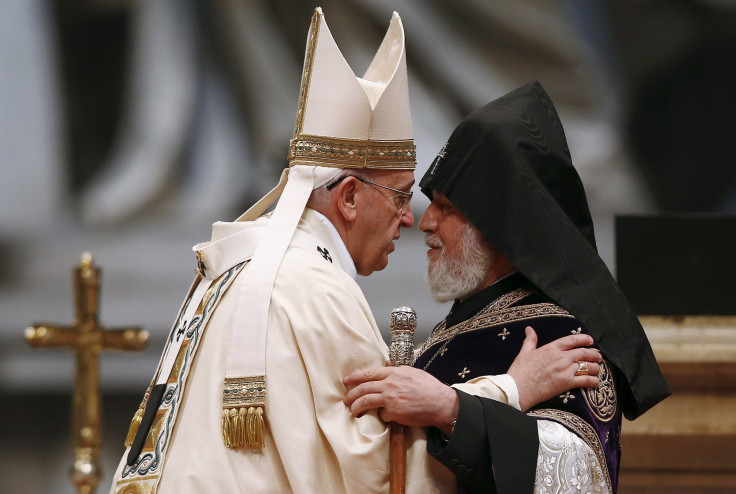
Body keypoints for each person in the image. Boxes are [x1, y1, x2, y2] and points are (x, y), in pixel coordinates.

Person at [344, 81, 671, 493]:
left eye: (446, 208)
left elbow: (576, 471)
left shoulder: (565, 337)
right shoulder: (461, 323)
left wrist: (451, 409)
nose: (425, 223)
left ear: (498, 227)